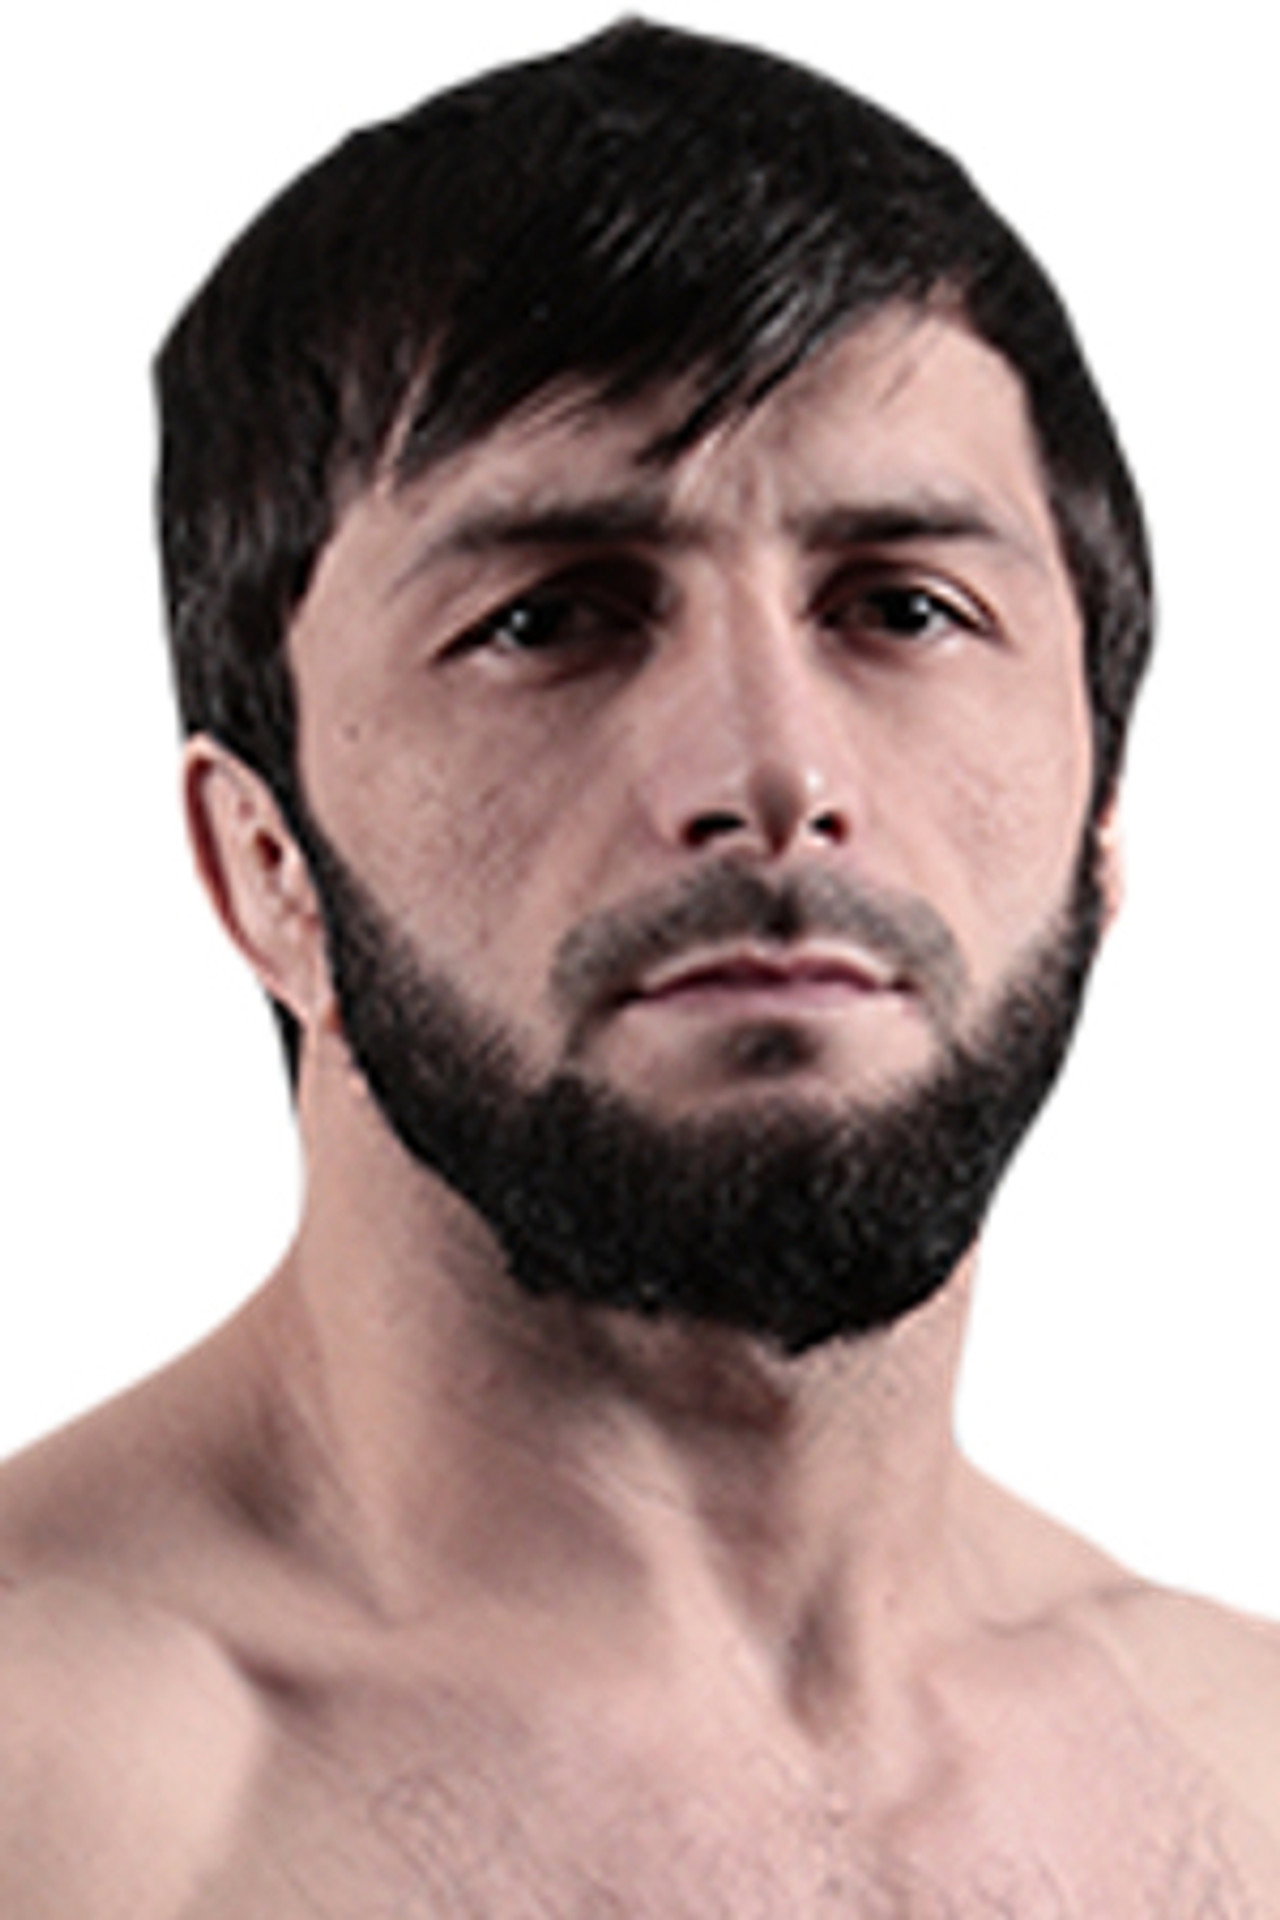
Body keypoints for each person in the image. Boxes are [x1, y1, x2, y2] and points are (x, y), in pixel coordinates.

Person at [1, 17, 1276, 1913]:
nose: (774, 772)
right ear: (265, 867)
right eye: (553, 618)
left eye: (904, 606)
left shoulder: (1248, 1767)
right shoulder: (56, 1790)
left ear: (1104, 808)